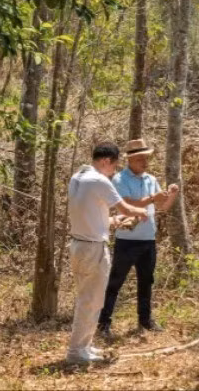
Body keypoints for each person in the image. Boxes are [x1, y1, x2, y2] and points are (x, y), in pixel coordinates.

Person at [66, 142, 148, 364]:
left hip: (80, 244)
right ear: (105, 161)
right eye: (114, 166)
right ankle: (76, 352)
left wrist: (113, 222)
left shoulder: (78, 177)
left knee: (90, 299)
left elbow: (91, 215)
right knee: (90, 300)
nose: (114, 171)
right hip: (92, 248)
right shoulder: (98, 180)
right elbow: (127, 208)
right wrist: (142, 211)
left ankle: (83, 346)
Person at [97, 138, 179, 340]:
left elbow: (162, 208)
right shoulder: (119, 180)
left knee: (147, 281)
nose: (145, 162)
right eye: (141, 159)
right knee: (115, 282)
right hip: (127, 239)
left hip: (148, 239)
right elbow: (125, 203)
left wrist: (172, 195)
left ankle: (145, 320)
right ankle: (103, 323)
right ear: (130, 160)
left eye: (146, 158)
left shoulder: (151, 179)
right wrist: (152, 198)